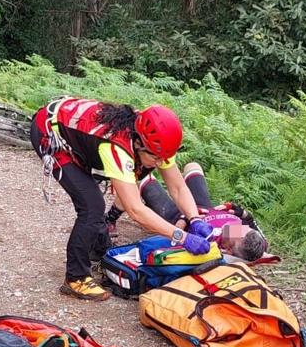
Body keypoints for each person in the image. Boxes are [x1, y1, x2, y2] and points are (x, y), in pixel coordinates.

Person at [31, 98, 211, 300]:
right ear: (138, 142)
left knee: (100, 199)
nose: (161, 163)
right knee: (92, 206)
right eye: (155, 158)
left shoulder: (157, 144)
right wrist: (182, 237)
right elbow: (135, 209)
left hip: (76, 131)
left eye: (164, 158)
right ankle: (76, 278)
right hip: (51, 132)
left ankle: (98, 251)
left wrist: (195, 219)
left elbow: (177, 187)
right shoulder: (116, 146)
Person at [105, 164, 270, 261]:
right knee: (193, 166)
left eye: (235, 232)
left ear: (227, 249)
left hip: (179, 218)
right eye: (243, 228)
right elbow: (253, 226)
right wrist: (242, 214)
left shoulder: (210, 246)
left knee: (135, 182)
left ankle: (110, 219)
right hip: (204, 207)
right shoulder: (255, 241)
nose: (237, 228)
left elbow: (178, 239)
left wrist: (188, 218)